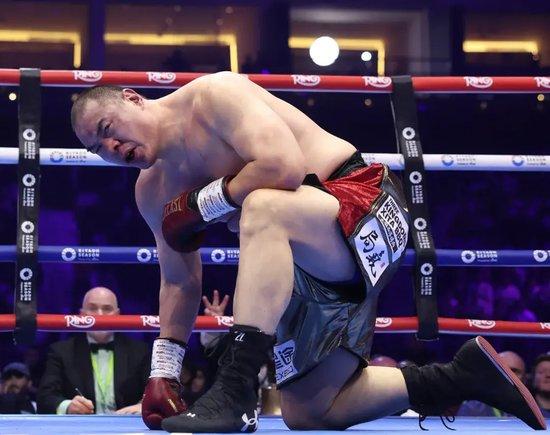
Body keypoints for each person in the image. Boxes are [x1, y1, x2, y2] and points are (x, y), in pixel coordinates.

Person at [70, 72, 545, 432]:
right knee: (310, 410)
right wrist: (165, 372)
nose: (111, 146)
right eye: (97, 148)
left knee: (264, 205)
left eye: (108, 128)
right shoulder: (152, 191)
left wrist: (201, 203)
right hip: (311, 263)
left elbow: (284, 166)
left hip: (363, 205)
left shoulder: (213, 96)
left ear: (133, 98)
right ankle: (460, 377)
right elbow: (179, 280)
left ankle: (234, 389)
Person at [37, 286, 150, 415]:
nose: (99, 315)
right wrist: (68, 406)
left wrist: (143, 406)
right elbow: (45, 398)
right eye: (92, 308)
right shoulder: (61, 351)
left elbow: (154, 393)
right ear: (81, 314)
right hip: (80, 426)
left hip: (128, 426)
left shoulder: (140, 351)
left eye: (107, 309)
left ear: (118, 315)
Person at [458, 350, 527, 417]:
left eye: (514, 371)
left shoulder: (531, 411)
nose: (507, 375)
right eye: (501, 369)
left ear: (525, 379)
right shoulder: (471, 409)